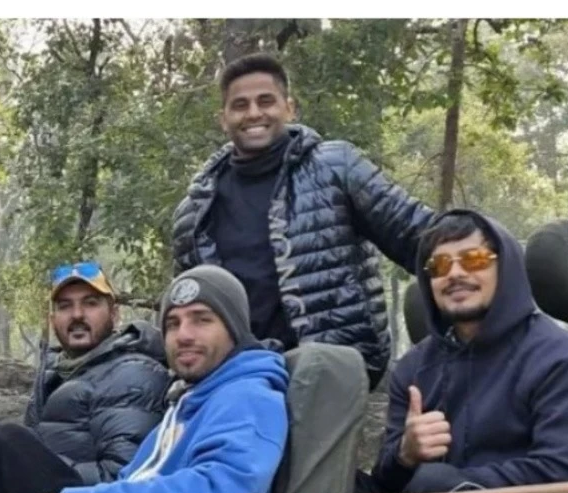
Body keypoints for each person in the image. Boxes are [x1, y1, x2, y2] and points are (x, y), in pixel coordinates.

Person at [170, 52, 435, 389]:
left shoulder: (334, 167)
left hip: (330, 369)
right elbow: (186, 307)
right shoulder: (194, 212)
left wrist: (481, 256)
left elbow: (418, 234)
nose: (254, 113)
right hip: (238, 377)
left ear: (289, 108)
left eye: (266, 101)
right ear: (223, 119)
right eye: (240, 105)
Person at [0, 265, 290, 493]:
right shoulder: (188, 402)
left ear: (234, 328)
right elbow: (132, 481)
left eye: (202, 319)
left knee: (2, 445)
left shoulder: (246, 396)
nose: (184, 335)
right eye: (173, 324)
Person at [366, 209, 568, 493]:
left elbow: (560, 473)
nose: (455, 274)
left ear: (505, 268)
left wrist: (447, 485)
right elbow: (384, 483)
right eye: (440, 265)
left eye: (474, 260)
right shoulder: (413, 369)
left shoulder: (565, 361)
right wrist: (404, 455)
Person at [0, 262, 171, 493]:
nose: (77, 315)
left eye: (90, 303)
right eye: (65, 306)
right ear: (53, 319)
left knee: (2, 442)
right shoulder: (56, 374)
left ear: (114, 313)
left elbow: (126, 478)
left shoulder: (132, 373)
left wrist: (28, 465)